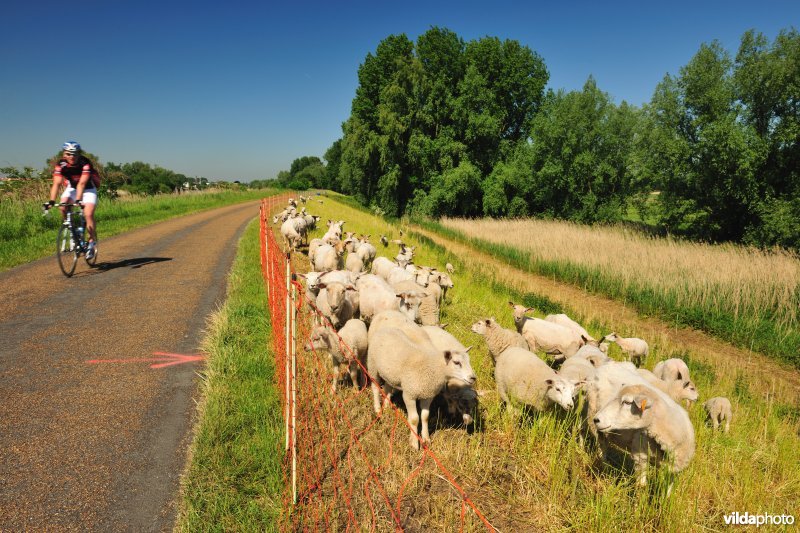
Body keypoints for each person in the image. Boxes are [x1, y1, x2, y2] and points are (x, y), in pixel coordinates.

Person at [44, 141, 99, 259]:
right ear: (64, 154)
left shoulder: (85, 163)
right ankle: (71, 229)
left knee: (88, 214)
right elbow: (56, 183)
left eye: (75, 154)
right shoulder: (61, 164)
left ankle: (91, 241)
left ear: (79, 154)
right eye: (69, 154)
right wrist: (51, 201)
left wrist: (79, 200)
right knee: (63, 206)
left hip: (88, 189)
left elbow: (82, 183)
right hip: (72, 188)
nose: (72, 157)